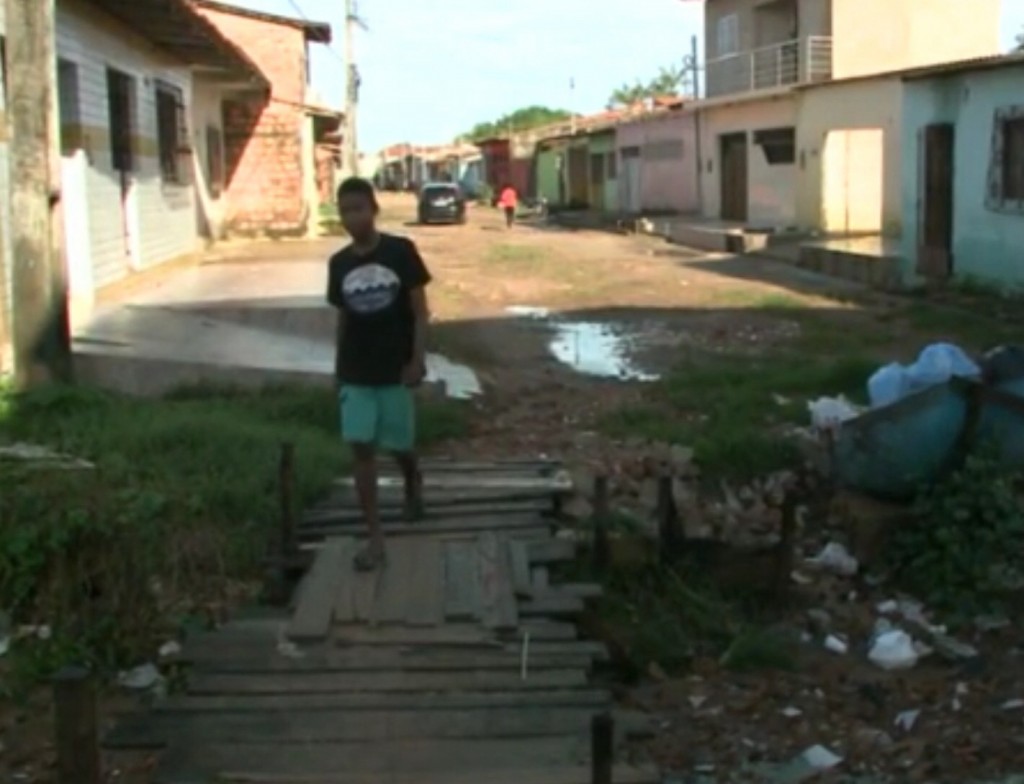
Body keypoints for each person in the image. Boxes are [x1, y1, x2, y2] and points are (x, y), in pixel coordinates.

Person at [327, 177, 431, 571]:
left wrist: (416, 360)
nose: (351, 217)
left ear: (374, 209)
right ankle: (375, 538)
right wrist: (338, 368)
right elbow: (343, 318)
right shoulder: (338, 264)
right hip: (356, 371)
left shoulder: (400, 252)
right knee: (361, 449)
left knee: (400, 446)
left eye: (358, 208)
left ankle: (412, 482)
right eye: (344, 211)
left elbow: (420, 312)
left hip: (393, 371)